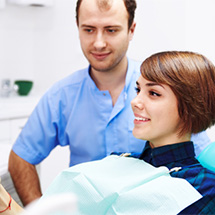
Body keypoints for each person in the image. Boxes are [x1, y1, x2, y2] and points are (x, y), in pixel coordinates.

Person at [8, 0, 211, 206]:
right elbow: (21, 157)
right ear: (77, 27)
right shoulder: (62, 95)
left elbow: (201, 153)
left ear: (131, 30)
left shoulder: (161, 83)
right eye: (88, 29)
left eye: (111, 30)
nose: (98, 43)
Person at [131, 51, 215, 214]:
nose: (135, 102)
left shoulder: (205, 189)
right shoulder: (119, 162)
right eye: (138, 89)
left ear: (190, 107)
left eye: (154, 93)